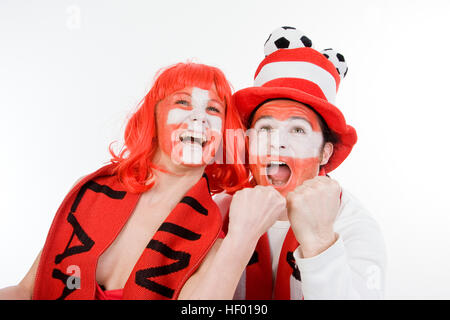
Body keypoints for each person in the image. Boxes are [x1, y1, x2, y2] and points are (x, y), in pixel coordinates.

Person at [0, 62, 275, 300]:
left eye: (214, 110)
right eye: (182, 102)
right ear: (153, 116)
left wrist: (244, 236)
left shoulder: (213, 233)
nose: (198, 118)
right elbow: (27, 292)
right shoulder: (90, 191)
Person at [213, 26, 387, 299]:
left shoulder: (354, 225)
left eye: (297, 130)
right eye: (265, 129)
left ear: (325, 153)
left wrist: (320, 244)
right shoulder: (216, 211)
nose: (276, 143)